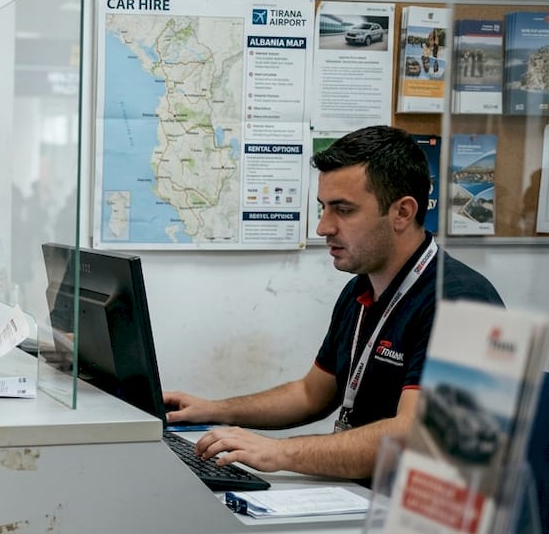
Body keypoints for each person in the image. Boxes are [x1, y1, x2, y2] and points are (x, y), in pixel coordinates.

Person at [164, 125, 503, 481]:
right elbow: (310, 394)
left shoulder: (462, 302)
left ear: (402, 212)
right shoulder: (361, 288)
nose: (323, 227)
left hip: (408, 504)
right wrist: (213, 410)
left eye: (343, 210)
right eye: (323, 208)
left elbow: (415, 437)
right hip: (358, 492)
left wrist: (279, 452)